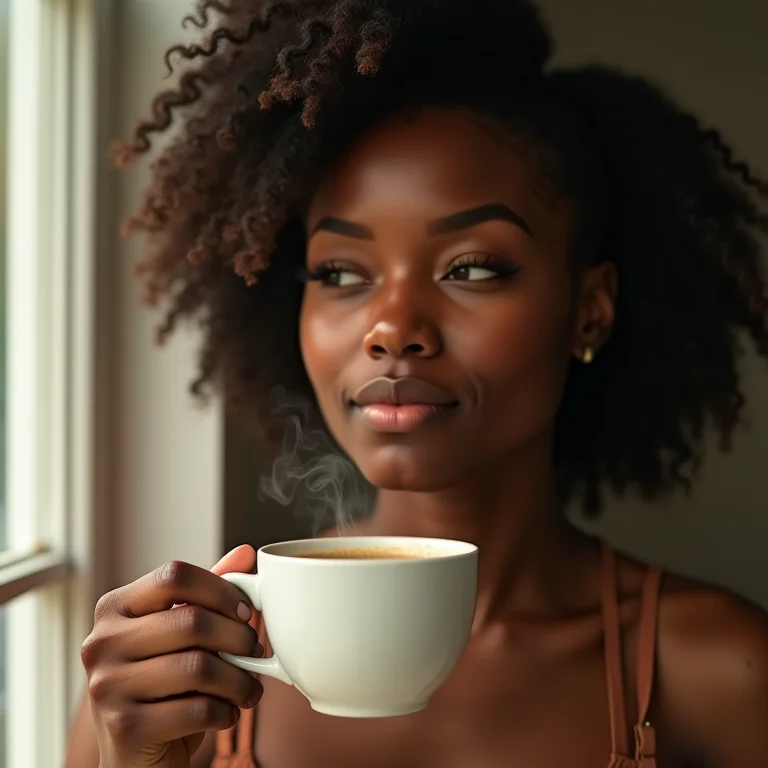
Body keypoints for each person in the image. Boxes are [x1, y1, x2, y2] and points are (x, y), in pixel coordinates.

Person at [66, 1, 768, 766]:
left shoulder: (719, 674)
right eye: (340, 273)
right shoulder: (185, 674)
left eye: (472, 268)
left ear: (589, 310)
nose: (391, 327)